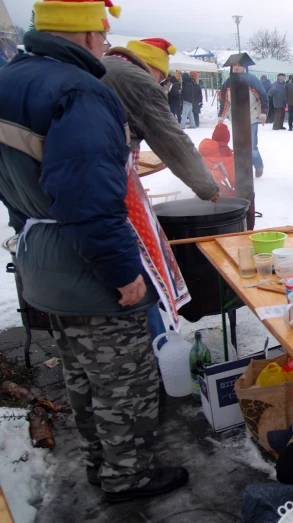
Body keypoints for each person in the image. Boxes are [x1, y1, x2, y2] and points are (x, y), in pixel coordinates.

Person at [0, 0, 190, 501]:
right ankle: (129, 476)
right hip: (86, 265)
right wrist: (123, 271)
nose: (106, 46)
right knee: (122, 379)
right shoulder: (79, 92)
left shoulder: (12, 80)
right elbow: (89, 197)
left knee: (81, 374)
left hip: (40, 253)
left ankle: (99, 463)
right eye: (103, 36)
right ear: (85, 36)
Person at [102, 37, 220, 344]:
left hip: (80, 193)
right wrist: (208, 188)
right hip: (112, 191)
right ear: (153, 68)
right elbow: (173, 141)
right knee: (141, 270)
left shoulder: (103, 66)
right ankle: (155, 349)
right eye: (163, 78)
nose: (163, 83)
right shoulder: (138, 81)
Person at [218, 63, 269, 179]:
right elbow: (225, 101)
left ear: (244, 67)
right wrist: (221, 116)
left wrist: (263, 113)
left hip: (251, 117)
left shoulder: (252, 80)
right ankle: (242, 170)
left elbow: (263, 97)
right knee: (238, 146)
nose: (236, 68)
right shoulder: (228, 82)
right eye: (234, 66)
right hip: (236, 119)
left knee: (251, 145)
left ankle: (258, 164)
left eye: (239, 65)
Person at [199, 123, 236, 197]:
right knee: (234, 197)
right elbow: (233, 180)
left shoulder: (205, 149)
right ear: (227, 138)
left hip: (198, 186)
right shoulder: (225, 155)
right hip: (214, 188)